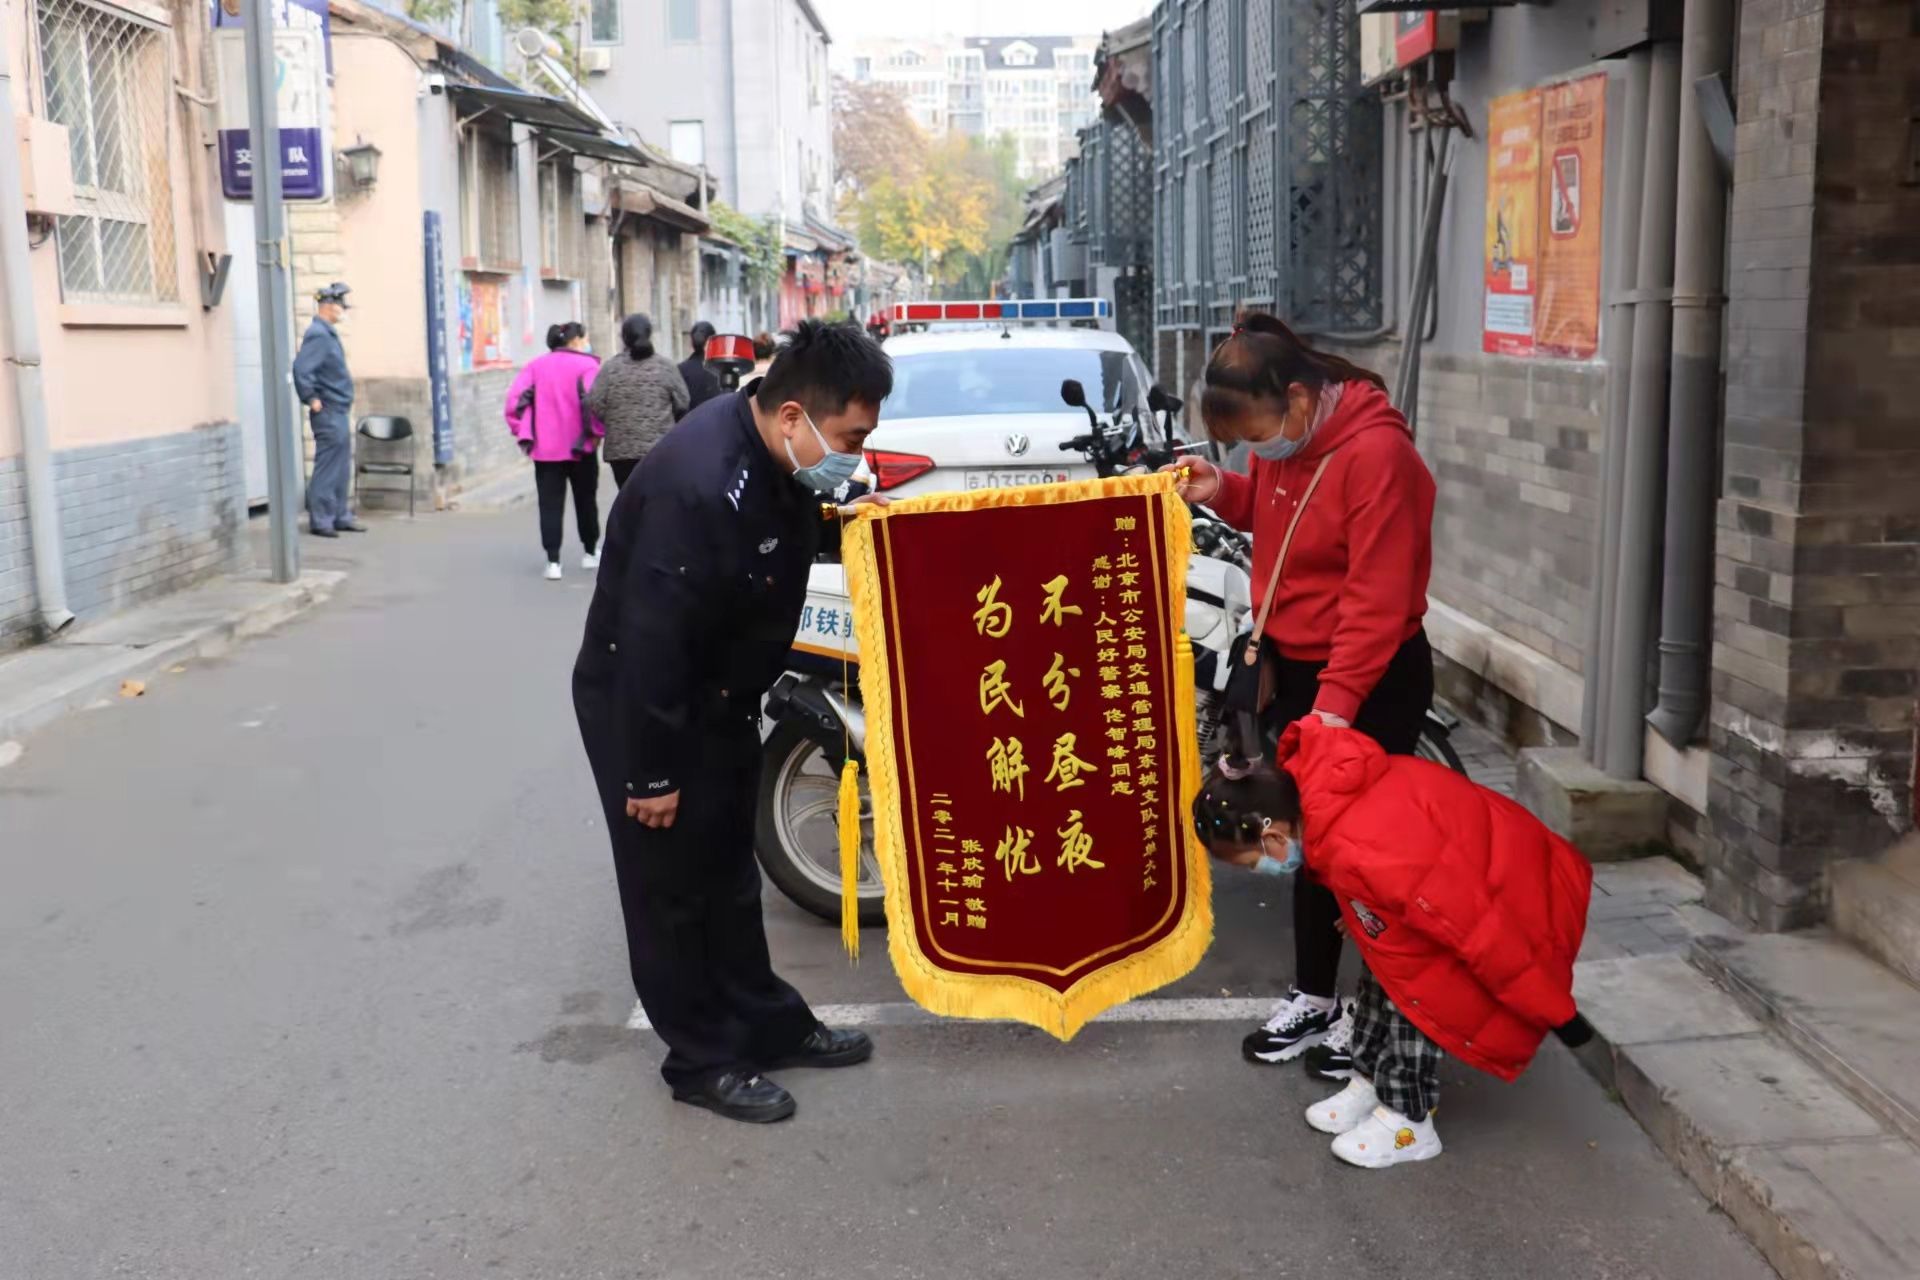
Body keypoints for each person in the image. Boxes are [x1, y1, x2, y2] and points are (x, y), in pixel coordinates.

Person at [571, 319, 892, 1123]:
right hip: (649, 705)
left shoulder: (773, 450)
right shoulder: (697, 482)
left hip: (716, 694)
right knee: (670, 889)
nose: (855, 452)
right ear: (795, 417)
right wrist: (650, 772)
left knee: (726, 870)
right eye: (850, 438)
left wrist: (846, 516)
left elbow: (778, 534)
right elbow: (651, 641)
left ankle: (767, 1022)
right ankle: (703, 1057)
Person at [1165, 312, 1437, 1080]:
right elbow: (1290, 530)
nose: (1262, 451)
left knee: (1363, 858)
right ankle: (1316, 997)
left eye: (1261, 433)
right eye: (1243, 444)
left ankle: (1375, 1013)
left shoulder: (1379, 455)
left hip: (1368, 682)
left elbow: (1375, 601)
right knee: (1303, 844)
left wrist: (1334, 710)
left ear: (1298, 397)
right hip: (1305, 670)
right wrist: (1226, 489)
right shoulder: (1299, 443)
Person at [1191, 717, 1593, 1169]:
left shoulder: (1362, 845)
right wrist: (1357, 908)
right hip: (1449, 884)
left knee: (1418, 998)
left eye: (1251, 863)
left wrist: (1553, 1007)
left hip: (1510, 887)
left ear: (1274, 837)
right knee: (1382, 979)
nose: (1255, 872)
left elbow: (1478, 927)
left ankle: (1409, 1121)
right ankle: (1371, 1081)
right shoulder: (1322, 802)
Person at [505, 322, 603, 580]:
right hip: (582, 447)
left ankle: (553, 562)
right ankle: (591, 552)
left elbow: (514, 403)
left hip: (546, 449)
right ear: (575, 341)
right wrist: (597, 433)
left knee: (549, 505)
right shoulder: (589, 366)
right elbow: (598, 404)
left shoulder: (535, 367)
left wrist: (523, 431)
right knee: (586, 500)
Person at [291, 282, 365, 538]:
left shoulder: (326, 332)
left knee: (341, 466)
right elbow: (302, 369)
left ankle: (339, 515)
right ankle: (322, 519)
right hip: (329, 410)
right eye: (341, 305)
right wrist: (311, 397)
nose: (343, 310)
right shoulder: (319, 335)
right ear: (328, 306)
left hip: (338, 409)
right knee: (328, 466)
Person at [585, 314, 688, 490]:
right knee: (656, 502)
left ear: (624, 338)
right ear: (650, 334)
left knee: (628, 504)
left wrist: (615, 419)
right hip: (659, 449)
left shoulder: (610, 368)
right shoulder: (665, 367)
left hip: (620, 451)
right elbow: (683, 402)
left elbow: (595, 402)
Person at [680, 320, 722, 412]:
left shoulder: (681, 369)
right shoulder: (723, 368)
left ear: (692, 342)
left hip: (692, 423)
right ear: (713, 341)